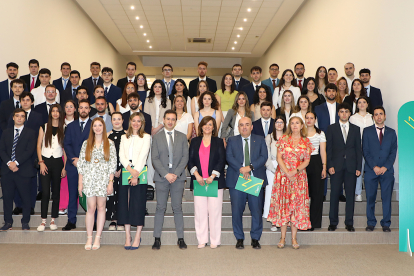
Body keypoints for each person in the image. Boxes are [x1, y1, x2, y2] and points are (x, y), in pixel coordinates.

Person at [267, 116, 313, 249]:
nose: (294, 125)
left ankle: (294, 238)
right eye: (292, 123)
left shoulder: (306, 141)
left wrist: (295, 171)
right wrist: (287, 171)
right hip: (283, 176)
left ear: (302, 125)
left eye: (297, 123)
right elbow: (279, 157)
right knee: (284, 206)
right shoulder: (283, 140)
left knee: (296, 207)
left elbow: (307, 160)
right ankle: (282, 238)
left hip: (299, 177)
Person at [226, 117, 267, 249]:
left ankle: (255, 238)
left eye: (247, 125)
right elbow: (229, 157)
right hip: (237, 179)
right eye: (241, 125)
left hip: (254, 179)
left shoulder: (260, 139)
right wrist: (241, 169)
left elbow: (264, 156)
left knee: (256, 210)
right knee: (237, 210)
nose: (244, 127)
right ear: (238, 127)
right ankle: (239, 238)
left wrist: (249, 168)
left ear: (251, 127)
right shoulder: (232, 140)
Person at [151, 110, 189, 250]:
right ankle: (157, 238)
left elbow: (185, 157)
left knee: (177, 207)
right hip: (162, 178)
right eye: (168, 119)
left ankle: (180, 238)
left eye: (173, 119)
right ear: (163, 119)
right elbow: (154, 158)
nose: (170, 121)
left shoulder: (182, 137)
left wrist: (176, 174)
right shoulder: (157, 137)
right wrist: (166, 174)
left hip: (178, 178)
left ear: (176, 121)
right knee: (160, 207)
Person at [78, 117, 117, 250]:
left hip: (103, 180)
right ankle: (89, 237)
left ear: (104, 127)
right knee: (90, 208)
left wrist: (110, 183)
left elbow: (112, 164)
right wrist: (80, 183)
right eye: (95, 126)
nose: (98, 128)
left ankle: (98, 237)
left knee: (101, 208)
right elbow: (81, 165)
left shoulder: (110, 143)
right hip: (89, 179)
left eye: (100, 125)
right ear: (92, 128)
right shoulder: (86, 143)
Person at [188, 116, 226, 248]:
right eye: (205, 124)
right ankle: (202, 240)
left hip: (214, 182)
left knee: (215, 212)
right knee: (200, 212)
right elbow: (190, 160)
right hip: (199, 181)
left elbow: (222, 160)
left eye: (210, 124)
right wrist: (197, 175)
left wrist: (213, 175)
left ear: (214, 127)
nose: (207, 126)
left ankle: (215, 240)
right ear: (201, 127)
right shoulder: (194, 141)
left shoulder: (219, 141)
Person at [326, 103, 362, 232]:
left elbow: (359, 149)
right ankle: (333, 222)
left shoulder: (356, 129)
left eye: (346, 111)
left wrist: (359, 167)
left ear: (350, 113)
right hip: (336, 166)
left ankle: (349, 222)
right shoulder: (331, 128)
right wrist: (329, 165)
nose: (344, 114)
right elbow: (328, 149)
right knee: (335, 194)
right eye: (341, 111)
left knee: (350, 195)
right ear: (338, 113)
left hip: (351, 167)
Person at [0, 109, 37, 231]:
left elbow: (29, 151)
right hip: (7, 171)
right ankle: (8, 222)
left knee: (26, 198)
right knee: (7, 198)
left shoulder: (30, 133)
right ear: (13, 117)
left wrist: (15, 162)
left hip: (23, 170)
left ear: (25, 118)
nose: (19, 118)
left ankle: (25, 222)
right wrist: (9, 163)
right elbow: (2, 150)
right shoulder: (5, 132)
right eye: (17, 116)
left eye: (22, 116)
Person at [118, 112, 151, 249]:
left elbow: (143, 155)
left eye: (139, 121)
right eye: (134, 121)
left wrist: (135, 173)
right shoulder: (124, 137)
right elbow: (121, 155)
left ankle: (137, 235)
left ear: (142, 123)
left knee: (138, 203)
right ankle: (128, 235)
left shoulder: (147, 137)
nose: (136, 123)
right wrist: (130, 171)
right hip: (127, 170)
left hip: (140, 171)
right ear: (130, 122)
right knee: (125, 203)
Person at [362, 107, 397, 232]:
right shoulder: (367, 131)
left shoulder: (392, 132)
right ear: (373, 117)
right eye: (376, 114)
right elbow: (365, 151)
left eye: (381, 114)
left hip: (387, 171)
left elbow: (393, 152)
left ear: (385, 116)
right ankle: (371, 222)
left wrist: (385, 167)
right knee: (370, 197)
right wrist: (374, 167)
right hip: (371, 170)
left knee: (386, 197)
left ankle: (386, 223)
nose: (379, 116)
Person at [8, 92, 43, 215]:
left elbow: (41, 135)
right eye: (23, 100)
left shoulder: (38, 116)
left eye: (28, 100)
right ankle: (18, 205)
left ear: (32, 102)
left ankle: (30, 206)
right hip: (16, 154)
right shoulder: (13, 116)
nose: (25, 102)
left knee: (32, 182)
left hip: (32, 154)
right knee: (16, 180)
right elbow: (9, 134)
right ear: (20, 101)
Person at [63, 99, 92, 231]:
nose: (84, 110)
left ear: (89, 110)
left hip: (90, 166)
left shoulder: (95, 125)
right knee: (72, 193)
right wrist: (73, 160)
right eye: (81, 108)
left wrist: (84, 160)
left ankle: (94, 221)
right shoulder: (71, 126)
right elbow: (66, 144)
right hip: (73, 165)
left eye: (86, 108)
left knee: (91, 194)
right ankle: (71, 220)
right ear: (78, 109)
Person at [36, 104, 66, 232]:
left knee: (56, 192)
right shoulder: (44, 126)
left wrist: (64, 167)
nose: (55, 113)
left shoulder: (64, 127)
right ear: (50, 113)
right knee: (45, 193)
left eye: (57, 111)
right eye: (53, 111)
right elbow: (38, 146)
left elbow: (65, 149)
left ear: (60, 114)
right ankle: (43, 221)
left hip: (58, 162)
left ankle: (53, 219)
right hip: (45, 161)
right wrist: (41, 162)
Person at [305, 111, 327, 230]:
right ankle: (303, 221)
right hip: (302, 163)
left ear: (315, 120)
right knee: (303, 195)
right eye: (307, 118)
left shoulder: (320, 133)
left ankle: (314, 222)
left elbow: (323, 151)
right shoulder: (300, 133)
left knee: (317, 194)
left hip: (316, 162)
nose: (309, 120)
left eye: (311, 118)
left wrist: (324, 167)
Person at [263, 116, 286, 230]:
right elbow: (265, 155)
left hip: (285, 169)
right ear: (274, 124)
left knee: (283, 195)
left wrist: (284, 168)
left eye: (281, 122)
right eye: (277, 122)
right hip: (271, 168)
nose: (279, 124)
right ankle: (273, 220)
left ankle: (283, 219)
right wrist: (273, 168)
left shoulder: (288, 137)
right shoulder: (269, 138)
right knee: (271, 194)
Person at [349, 96, 373, 202]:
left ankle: (370, 194)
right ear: (357, 104)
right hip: (357, 148)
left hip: (371, 148)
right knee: (358, 170)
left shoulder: (372, 117)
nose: (362, 104)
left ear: (368, 104)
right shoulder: (353, 118)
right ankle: (358, 193)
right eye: (360, 102)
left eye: (364, 102)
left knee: (370, 172)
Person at [106, 112, 126, 231]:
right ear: (111, 121)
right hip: (111, 171)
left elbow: (129, 154)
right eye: (114, 119)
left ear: (123, 120)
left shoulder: (127, 136)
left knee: (122, 195)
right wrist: (113, 170)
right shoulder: (107, 136)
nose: (117, 121)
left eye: (119, 119)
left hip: (124, 170)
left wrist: (121, 168)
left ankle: (122, 219)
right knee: (112, 194)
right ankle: (113, 219)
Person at [59, 100, 78, 215]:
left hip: (74, 155)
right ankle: (63, 205)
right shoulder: (60, 123)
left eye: (72, 106)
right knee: (64, 182)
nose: (69, 108)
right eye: (67, 107)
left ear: (75, 109)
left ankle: (72, 205)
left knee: (75, 183)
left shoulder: (78, 123)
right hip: (61, 154)